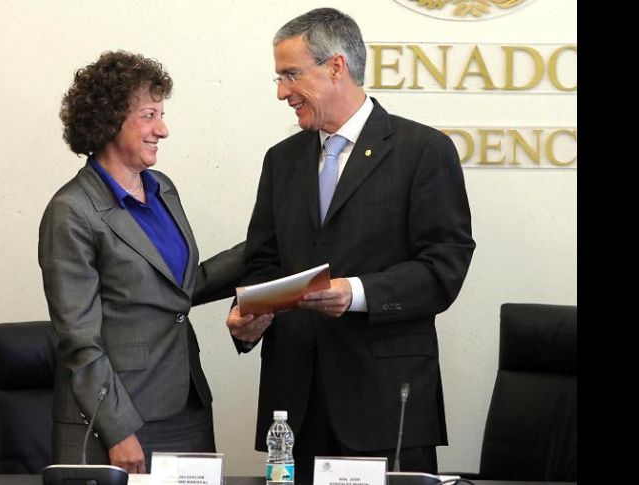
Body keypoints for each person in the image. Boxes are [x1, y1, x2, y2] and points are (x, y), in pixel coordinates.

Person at [225, 8, 476, 484]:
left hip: (385, 405)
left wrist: (356, 292)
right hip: (295, 410)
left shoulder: (422, 150)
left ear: (336, 67)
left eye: (290, 75)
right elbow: (264, 259)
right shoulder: (281, 160)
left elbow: (445, 267)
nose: (281, 92)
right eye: (279, 78)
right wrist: (252, 313)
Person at [39, 50, 244, 474]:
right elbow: (79, 339)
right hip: (117, 416)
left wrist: (268, 247)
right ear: (110, 120)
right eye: (150, 115)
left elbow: (178, 287)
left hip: (186, 405)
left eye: (162, 114)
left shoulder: (162, 189)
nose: (163, 130)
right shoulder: (72, 210)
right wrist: (116, 429)